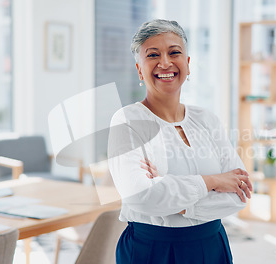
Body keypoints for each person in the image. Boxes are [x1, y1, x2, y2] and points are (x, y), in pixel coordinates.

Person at [107, 19, 252, 264]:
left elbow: (239, 193)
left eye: (174, 52)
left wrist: (175, 200)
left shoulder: (207, 120)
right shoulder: (127, 120)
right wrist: (214, 181)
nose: (165, 62)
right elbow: (140, 196)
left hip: (211, 245)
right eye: (153, 55)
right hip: (151, 249)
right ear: (140, 69)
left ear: (187, 63)